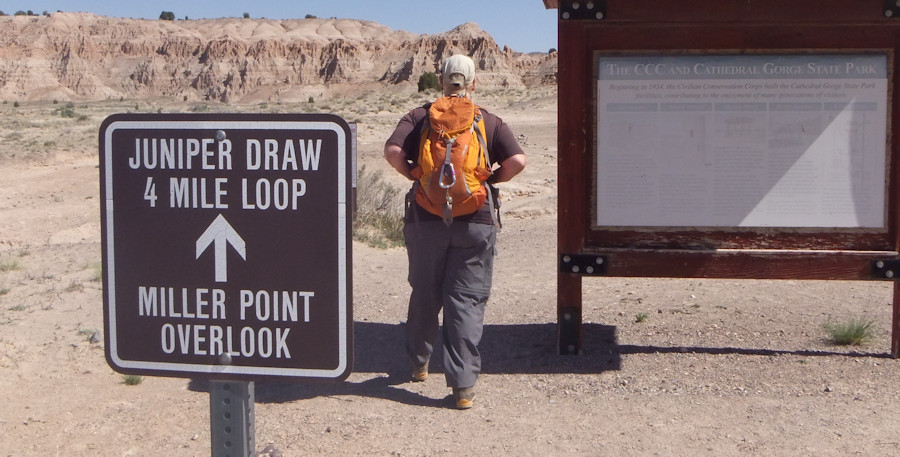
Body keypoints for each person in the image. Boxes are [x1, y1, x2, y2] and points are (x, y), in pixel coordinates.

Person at [383, 54, 526, 409]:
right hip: (475, 220)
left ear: (441, 81)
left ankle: (418, 364)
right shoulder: (488, 121)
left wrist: (416, 175)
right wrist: (490, 178)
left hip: (425, 218)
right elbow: (517, 161)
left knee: (425, 291)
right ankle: (462, 387)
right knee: (465, 300)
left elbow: (392, 151)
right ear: (474, 83)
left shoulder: (419, 117)